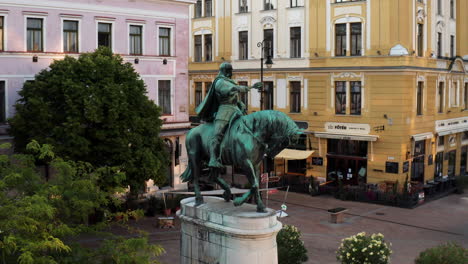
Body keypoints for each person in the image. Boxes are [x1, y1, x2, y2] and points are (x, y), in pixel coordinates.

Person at [196, 62, 262, 169]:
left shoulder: (229, 81)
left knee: (247, 128)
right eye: (230, 71)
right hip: (224, 110)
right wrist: (250, 87)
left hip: (236, 110)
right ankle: (213, 158)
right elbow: (229, 90)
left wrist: (240, 103)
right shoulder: (220, 82)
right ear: (226, 72)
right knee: (218, 134)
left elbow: (235, 95)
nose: (231, 73)